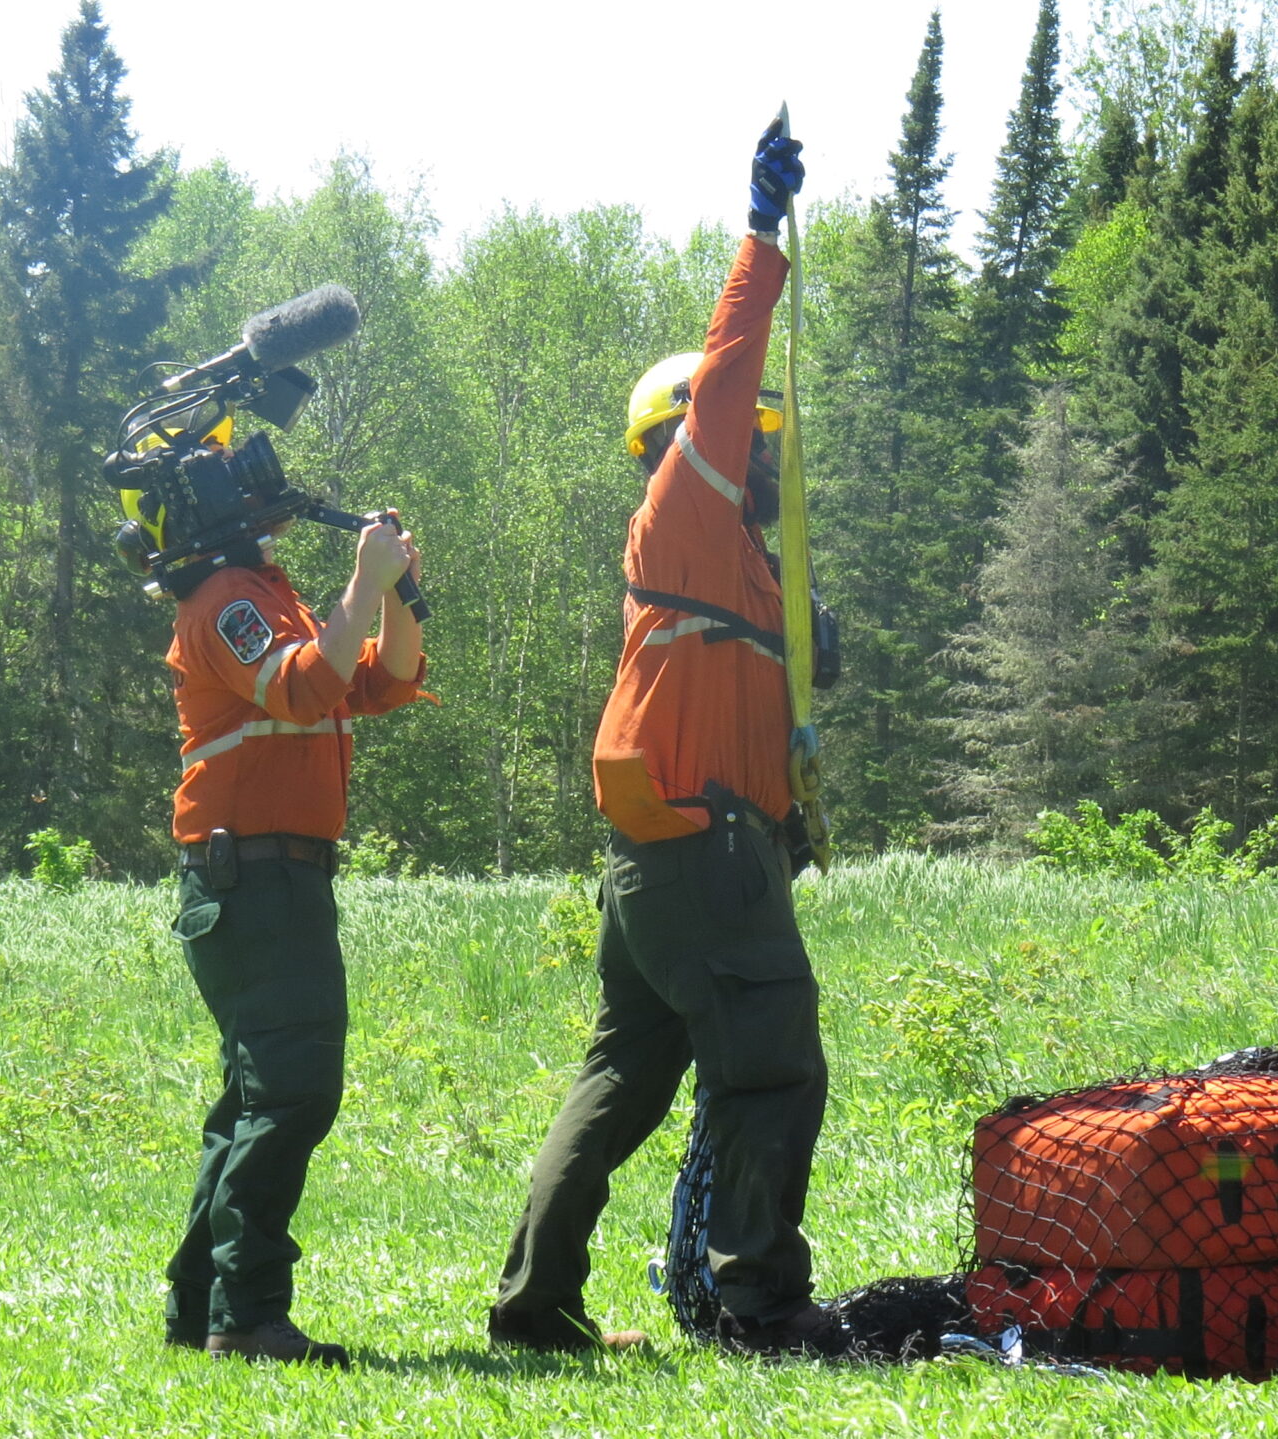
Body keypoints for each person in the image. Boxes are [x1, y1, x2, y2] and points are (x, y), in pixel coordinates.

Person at [488, 118, 843, 1359]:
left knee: (621, 1079)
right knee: (771, 1065)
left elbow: (764, 705)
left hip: (671, 855)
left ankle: (536, 1305)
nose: (761, 451)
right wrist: (759, 236)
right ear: (687, 438)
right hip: (699, 851)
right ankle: (757, 1302)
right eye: (751, 434)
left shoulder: (742, 567)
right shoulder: (683, 505)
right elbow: (733, 363)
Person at [152, 433, 430, 1366]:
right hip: (254, 878)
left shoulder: (266, 593)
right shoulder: (224, 602)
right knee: (294, 1092)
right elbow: (303, 686)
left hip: (276, 875)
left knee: (254, 1099)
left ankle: (201, 1308)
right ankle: (248, 1314)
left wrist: (384, 591)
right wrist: (361, 582)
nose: (260, 480)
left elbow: (383, 681)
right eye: (238, 469)